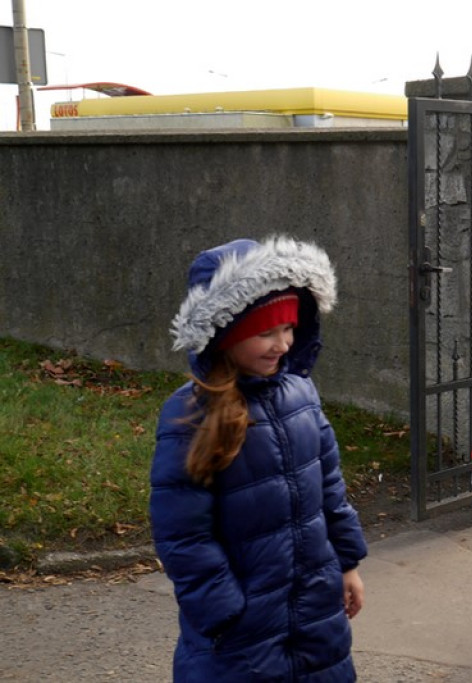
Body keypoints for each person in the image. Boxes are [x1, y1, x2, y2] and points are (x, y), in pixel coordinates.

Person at [150, 236, 368, 682]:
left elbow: (330, 489)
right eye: (266, 331)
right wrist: (223, 612)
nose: (283, 343)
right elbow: (181, 532)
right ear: (224, 334)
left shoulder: (302, 395)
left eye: (288, 328)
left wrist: (347, 564)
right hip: (239, 636)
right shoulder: (191, 415)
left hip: (315, 616)